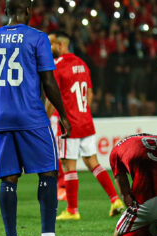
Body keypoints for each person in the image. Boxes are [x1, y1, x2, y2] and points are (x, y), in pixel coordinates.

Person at [0, 0, 76, 236]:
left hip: (3, 117)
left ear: (6, 10)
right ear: (27, 10)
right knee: (48, 171)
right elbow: (48, 80)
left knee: (9, 179)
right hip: (31, 117)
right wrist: (64, 114)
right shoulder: (37, 38)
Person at [49, 31, 124, 221]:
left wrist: (44, 118)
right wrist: (81, 112)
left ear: (60, 45)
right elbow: (89, 94)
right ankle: (115, 199)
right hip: (85, 121)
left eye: (51, 45)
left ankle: (72, 210)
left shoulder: (57, 66)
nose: (48, 49)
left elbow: (52, 96)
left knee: (69, 166)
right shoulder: (82, 65)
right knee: (93, 163)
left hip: (69, 124)